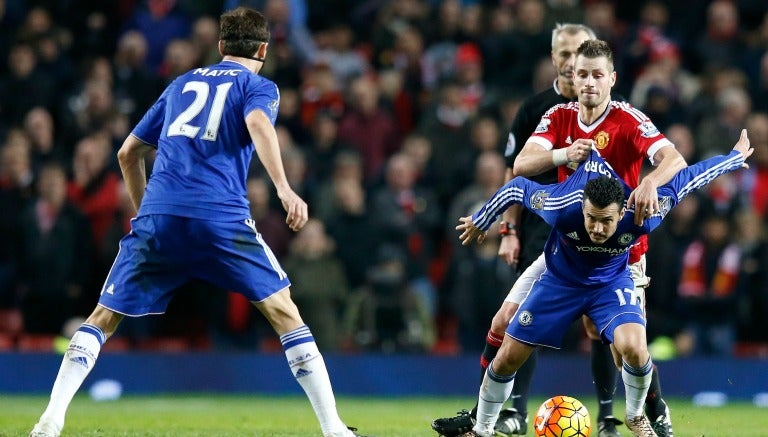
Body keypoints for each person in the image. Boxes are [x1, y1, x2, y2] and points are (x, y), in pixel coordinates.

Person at [29, 7, 365, 437]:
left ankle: (50, 420)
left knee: (103, 316)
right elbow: (259, 122)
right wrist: (283, 186)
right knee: (285, 313)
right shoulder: (258, 86)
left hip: (159, 217)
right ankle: (333, 429)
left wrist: (145, 213)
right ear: (264, 48)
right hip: (220, 217)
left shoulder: (181, 83)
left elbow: (127, 153)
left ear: (221, 46)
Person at [431, 27, 678, 437]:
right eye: (582, 73)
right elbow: (522, 166)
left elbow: (674, 158)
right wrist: (563, 154)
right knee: (504, 320)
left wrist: (651, 180)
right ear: (570, 74)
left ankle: (649, 411)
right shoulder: (555, 115)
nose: (588, 81)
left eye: (597, 74)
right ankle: (484, 419)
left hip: (622, 253)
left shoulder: (629, 119)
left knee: (626, 345)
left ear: (611, 79)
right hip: (566, 249)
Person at [456, 130, 753, 437]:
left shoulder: (643, 211)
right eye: (591, 218)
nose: (597, 228)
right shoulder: (561, 204)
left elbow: (691, 177)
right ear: (582, 208)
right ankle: (483, 429)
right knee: (507, 358)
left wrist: (733, 159)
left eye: (606, 221)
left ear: (621, 212)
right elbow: (516, 187)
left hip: (610, 283)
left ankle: (636, 416)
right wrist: (482, 219)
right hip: (560, 282)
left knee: (635, 348)